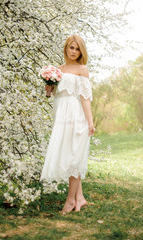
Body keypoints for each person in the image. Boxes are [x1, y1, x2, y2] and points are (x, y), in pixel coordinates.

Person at [41, 35, 95, 214]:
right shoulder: (58, 70)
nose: (74, 51)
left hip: (76, 115)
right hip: (61, 116)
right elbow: (53, 95)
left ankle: (71, 200)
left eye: (77, 49)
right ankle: (80, 198)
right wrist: (49, 89)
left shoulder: (82, 70)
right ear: (66, 48)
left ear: (81, 51)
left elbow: (85, 98)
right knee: (69, 153)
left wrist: (90, 121)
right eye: (71, 48)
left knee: (75, 154)